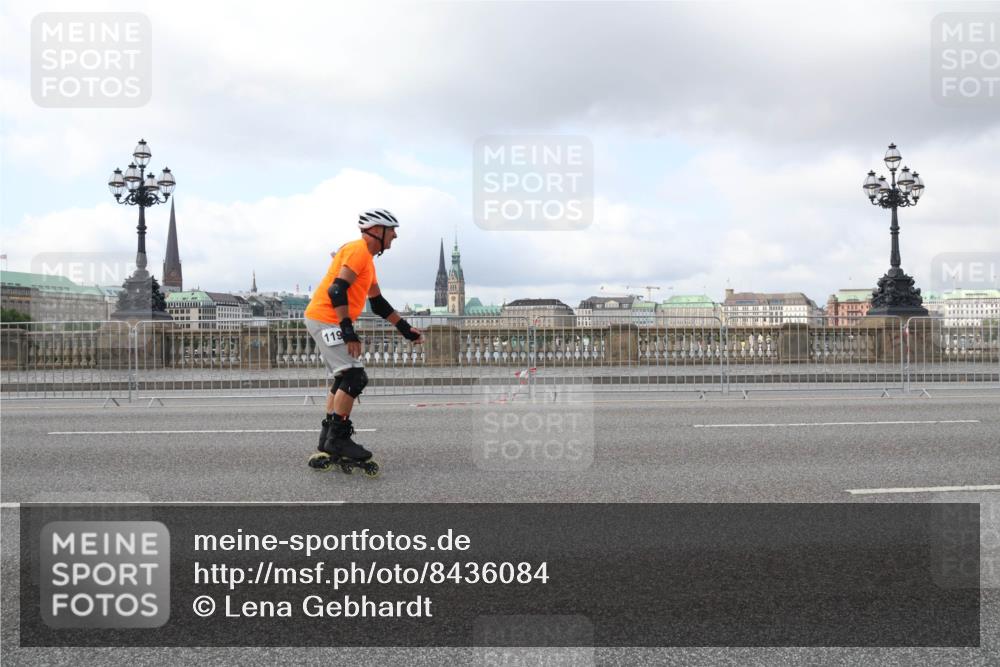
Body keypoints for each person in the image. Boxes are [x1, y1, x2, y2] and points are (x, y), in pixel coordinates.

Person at [303, 209, 423, 470]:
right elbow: (337, 290)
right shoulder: (358, 251)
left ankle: (328, 437)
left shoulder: (366, 259)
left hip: (325, 318)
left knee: (342, 378)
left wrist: (404, 328)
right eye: (392, 230)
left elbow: (377, 303)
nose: (395, 235)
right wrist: (348, 330)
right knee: (354, 377)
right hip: (327, 318)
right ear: (377, 231)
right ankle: (338, 438)